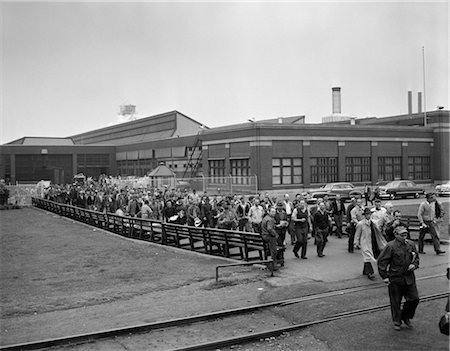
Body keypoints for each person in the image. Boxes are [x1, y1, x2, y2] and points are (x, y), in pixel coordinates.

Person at [377, 226, 420, 331]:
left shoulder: (411, 244)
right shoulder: (390, 246)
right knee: (395, 302)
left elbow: (416, 258)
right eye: (402, 235)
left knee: (414, 299)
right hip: (395, 278)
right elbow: (382, 261)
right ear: (395, 235)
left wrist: (414, 265)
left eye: (405, 234)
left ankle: (405, 316)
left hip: (409, 277)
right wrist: (385, 276)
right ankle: (397, 321)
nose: (404, 237)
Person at [354, 208, 387, 280]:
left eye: (369, 214)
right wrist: (356, 243)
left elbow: (378, 229)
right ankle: (370, 273)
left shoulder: (373, 223)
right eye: (366, 214)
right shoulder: (360, 224)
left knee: (368, 257)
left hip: (372, 242)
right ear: (364, 215)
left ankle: (365, 271)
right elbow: (357, 234)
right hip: (364, 243)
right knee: (368, 257)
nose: (368, 216)